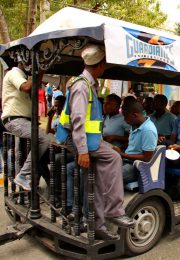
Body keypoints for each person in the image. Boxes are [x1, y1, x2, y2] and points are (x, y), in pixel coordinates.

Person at [56, 44, 133, 240]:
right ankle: (115, 211)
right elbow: (78, 121)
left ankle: (98, 225)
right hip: (78, 141)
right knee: (114, 158)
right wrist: (82, 151)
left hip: (88, 141)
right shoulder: (82, 86)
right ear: (101, 65)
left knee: (98, 180)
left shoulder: (87, 84)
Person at [1, 59, 50, 191]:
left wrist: (41, 72)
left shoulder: (22, 76)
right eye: (29, 63)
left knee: (22, 152)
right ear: (22, 62)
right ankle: (23, 175)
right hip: (15, 120)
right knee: (45, 138)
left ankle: (25, 181)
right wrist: (40, 71)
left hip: (23, 120)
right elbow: (26, 87)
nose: (31, 66)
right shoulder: (14, 73)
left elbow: (32, 89)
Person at [114, 100, 158, 183]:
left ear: (134, 115)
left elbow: (147, 158)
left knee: (110, 175)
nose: (124, 120)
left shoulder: (148, 130)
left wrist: (122, 154)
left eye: (125, 117)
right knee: (103, 169)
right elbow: (133, 145)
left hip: (137, 167)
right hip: (127, 161)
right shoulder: (135, 125)